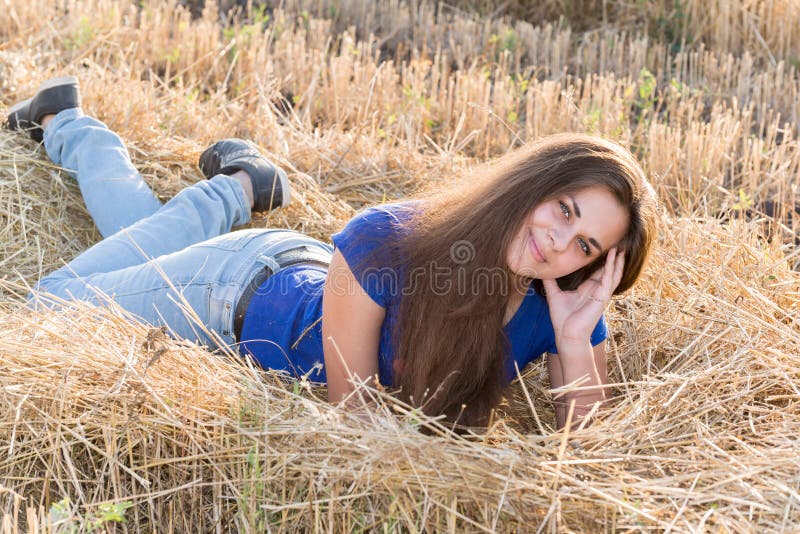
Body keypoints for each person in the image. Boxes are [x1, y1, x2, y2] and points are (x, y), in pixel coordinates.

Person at [6, 77, 658, 430]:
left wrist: (576, 342)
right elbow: (360, 415)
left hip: (283, 280)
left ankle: (71, 125)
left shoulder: (562, 305)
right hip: (233, 290)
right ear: (533, 185)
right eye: (564, 211)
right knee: (43, 307)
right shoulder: (391, 239)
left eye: (586, 246)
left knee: (135, 246)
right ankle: (231, 187)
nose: (558, 243)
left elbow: (582, 466)